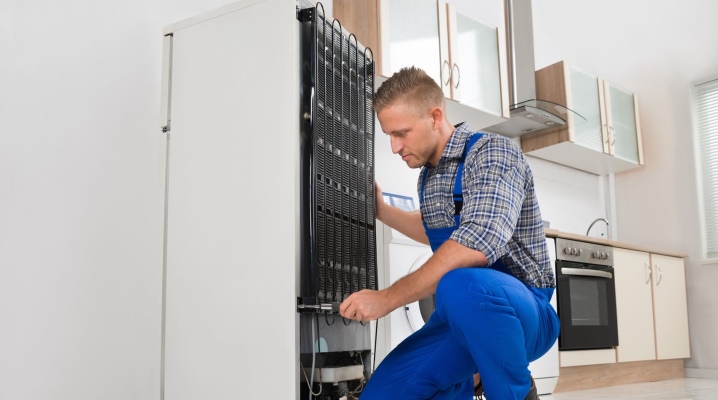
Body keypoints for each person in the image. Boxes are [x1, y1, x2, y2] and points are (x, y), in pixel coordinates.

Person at [339, 66, 560, 400]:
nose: (394, 147)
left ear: (435, 116)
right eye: (389, 135)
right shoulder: (428, 175)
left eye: (401, 133)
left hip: (523, 311)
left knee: (459, 284)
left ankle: (514, 391)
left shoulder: (491, 153)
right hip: (457, 317)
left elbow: (475, 244)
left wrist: (386, 298)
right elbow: (435, 230)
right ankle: (469, 381)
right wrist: (382, 210)